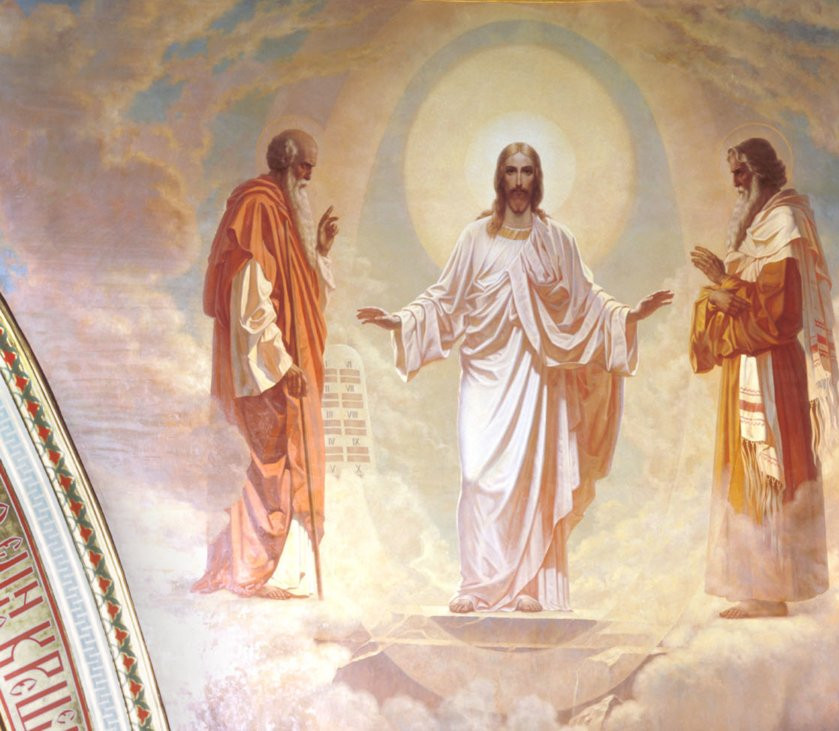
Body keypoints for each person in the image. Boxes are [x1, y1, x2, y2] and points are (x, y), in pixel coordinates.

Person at [358, 142, 672, 613]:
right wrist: (400, 321)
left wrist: (629, 316)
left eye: (527, 172)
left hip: (538, 376)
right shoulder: (475, 238)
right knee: (477, 478)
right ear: (500, 178)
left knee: (531, 478)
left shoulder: (557, 240)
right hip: (485, 373)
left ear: (537, 179)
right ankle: (476, 584)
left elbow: (586, 299)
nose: (519, 182)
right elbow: (445, 297)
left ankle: (529, 585)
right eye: (511, 172)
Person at [689, 137, 839, 619]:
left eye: (741, 173)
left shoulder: (784, 222)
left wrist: (723, 284)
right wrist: (715, 295)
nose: (735, 183)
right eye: (732, 174)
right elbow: (737, 301)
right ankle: (753, 586)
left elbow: (781, 314)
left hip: (772, 368)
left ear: (760, 173)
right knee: (744, 470)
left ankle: (772, 589)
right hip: (745, 365)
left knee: (769, 469)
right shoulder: (754, 228)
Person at [193, 129, 339, 599]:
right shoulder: (258, 208)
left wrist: (320, 251)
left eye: (312, 167)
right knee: (260, 464)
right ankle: (246, 572)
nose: (309, 176)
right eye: (304, 166)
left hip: (273, 366)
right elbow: (250, 298)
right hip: (258, 369)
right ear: (285, 164)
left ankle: (255, 570)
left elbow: (301, 298)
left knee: (275, 463)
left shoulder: (284, 214)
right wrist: (281, 361)